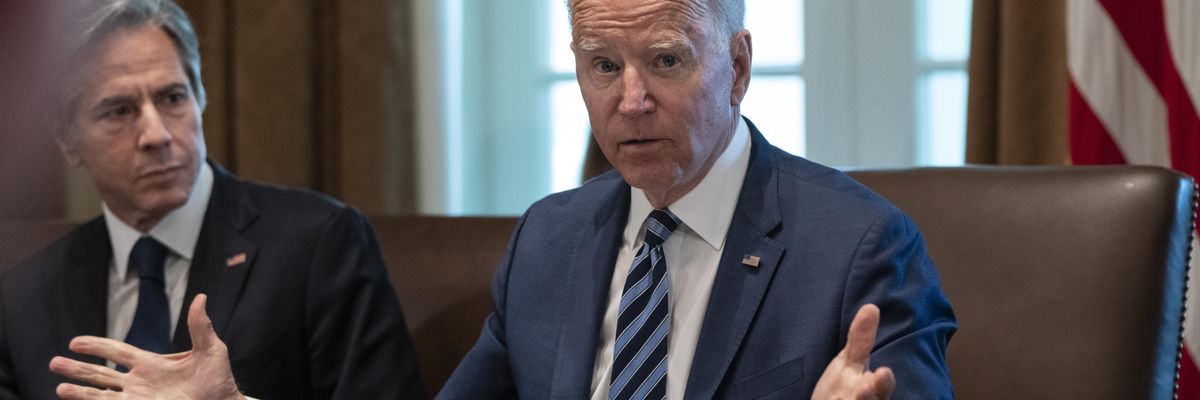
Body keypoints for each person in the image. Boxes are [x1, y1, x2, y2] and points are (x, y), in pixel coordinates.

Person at [439, 0, 956, 398]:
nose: (631, 101)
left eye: (666, 60)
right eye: (603, 66)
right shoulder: (547, 238)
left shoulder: (861, 249)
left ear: (737, 68)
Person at [0, 0, 424, 398]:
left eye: (172, 97)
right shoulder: (23, 300)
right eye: (119, 111)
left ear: (200, 96)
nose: (157, 135)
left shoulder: (319, 246)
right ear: (67, 139)